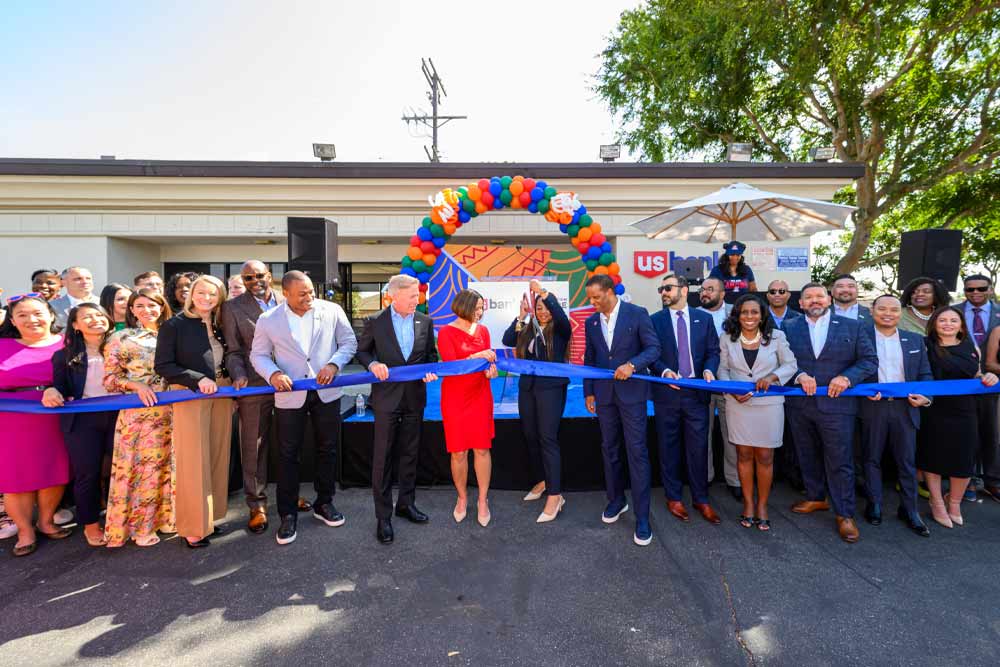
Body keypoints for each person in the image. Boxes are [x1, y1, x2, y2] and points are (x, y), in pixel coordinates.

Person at [250, 271, 358, 546]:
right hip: (289, 396)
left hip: (327, 393)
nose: (310, 297)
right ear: (285, 293)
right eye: (302, 294)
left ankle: (325, 503)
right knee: (287, 455)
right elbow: (258, 355)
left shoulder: (331, 310)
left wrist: (334, 364)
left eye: (311, 291)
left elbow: (349, 342)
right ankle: (287, 515)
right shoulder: (268, 319)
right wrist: (273, 374)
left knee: (328, 449)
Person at [781, 283, 878, 543]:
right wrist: (799, 375)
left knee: (840, 461)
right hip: (801, 406)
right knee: (806, 454)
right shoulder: (788, 327)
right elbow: (780, 361)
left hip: (838, 407)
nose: (814, 300)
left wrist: (847, 378)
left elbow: (869, 361)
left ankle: (844, 514)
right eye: (808, 297)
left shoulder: (853, 327)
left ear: (829, 299)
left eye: (819, 296)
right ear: (800, 303)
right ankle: (816, 497)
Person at [356, 274, 439, 543]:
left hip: (415, 398)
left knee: (410, 454)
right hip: (386, 400)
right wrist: (372, 365)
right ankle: (383, 517)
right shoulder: (374, 322)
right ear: (395, 296)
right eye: (413, 296)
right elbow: (363, 352)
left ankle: (406, 504)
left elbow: (430, 356)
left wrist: (429, 371)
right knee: (382, 459)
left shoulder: (425, 321)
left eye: (418, 295)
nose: (419, 300)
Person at [155, 275, 233, 549]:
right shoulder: (174, 325)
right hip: (190, 393)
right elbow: (163, 365)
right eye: (201, 292)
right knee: (193, 461)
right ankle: (192, 527)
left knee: (217, 454)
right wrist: (196, 378)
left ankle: (210, 518)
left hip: (223, 392)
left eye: (213, 294)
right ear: (191, 294)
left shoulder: (220, 323)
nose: (206, 298)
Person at [583, 275, 660, 546]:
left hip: (632, 396)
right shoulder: (591, 322)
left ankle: (642, 517)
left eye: (596, 297)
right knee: (610, 450)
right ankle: (616, 500)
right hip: (604, 396)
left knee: (637, 452)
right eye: (590, 298)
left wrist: (632, 365)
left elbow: (653, 349)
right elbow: (589, 359)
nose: (592, 303)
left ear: (610, 292)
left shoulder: (637, 314)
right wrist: (588, 391)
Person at [717, 294, 797, 531]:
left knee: (765, 457)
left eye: (754, 312)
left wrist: (772, 377)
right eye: (744, 312)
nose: (749, 317)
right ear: (737, 315)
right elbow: (722, 369)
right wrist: (731, 390)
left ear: (762, 315)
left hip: (769, 404)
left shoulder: (777, 337)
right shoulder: (727, 338)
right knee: (743, 455)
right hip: (738, 405)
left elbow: (790, 364)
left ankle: (763, 505)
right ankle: (748, 504)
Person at [102, 289, 175, 547]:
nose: (147, 310)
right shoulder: (121, 338)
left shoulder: (174, 333)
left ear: (162, 306)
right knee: (144, 469)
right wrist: (136, 386)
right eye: (140, 305)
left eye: (153, 304)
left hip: (175, 413)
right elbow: (109, 380)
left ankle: (168, 519)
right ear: (131, 310)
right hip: (140, 415)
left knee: (170, 467)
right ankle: (141, 527)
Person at [0, 294, 71, 556]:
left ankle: (46, 521)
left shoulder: (68, 344)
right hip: (11, 421)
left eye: (38, 313)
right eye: (22, 315)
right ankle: (24, 530)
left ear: (51, 315)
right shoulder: (2, 346)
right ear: (13, 320)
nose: (32, 319)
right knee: (16, 476)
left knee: (53, 469)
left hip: (56, 416)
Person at [41, 304, 118, 546]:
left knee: (123, 470)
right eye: (87, 317)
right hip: (83, 421)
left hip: (121, 416)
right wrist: (51, 390)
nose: (96, 320)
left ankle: (125, 520)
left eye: (99, 315)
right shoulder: (63, 356)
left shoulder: (122, 347)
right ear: (75, 325)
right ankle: (91, 525)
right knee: (88, 473)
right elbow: (59, 386)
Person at [859, 295, 933, 537]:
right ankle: (875, 503)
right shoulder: (861, 338)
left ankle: (910, 509)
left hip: (906, 408)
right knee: (871, 458)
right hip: (873, 407)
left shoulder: (915, 340)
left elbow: (925, 375)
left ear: (900, 313)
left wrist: (926, 397)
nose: (888, 313)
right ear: (872, 311)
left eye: (894, 309)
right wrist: (863, 391)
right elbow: (851, 370)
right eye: (882, 309)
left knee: (907, 462)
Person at [220, 260, 285, 534]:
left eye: (259, 275)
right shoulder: (232, 308)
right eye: (248, 278)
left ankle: (289, 495)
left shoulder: (287, 299)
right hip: (254, 385)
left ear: (269, 276)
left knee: (289, 443)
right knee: (253, 447)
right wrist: (237, 375)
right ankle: (256, 504)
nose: (254, 281)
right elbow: (233, 350)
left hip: (290, 383)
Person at [919, 307, 999, 527]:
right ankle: (936, 502)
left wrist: (989, 376)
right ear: (934, 323)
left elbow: (977, 375)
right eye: (942, 320)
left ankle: (953, 502)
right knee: (932, 456)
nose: (948, 324)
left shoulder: (970, 347)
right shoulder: (924, 346)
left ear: (961, 324)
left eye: (953, 320)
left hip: (965, 410)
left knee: (964, 458)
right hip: (933, 409)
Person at [651, 274, 721, 524]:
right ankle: (674, 497)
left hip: (696, 395)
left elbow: (713, 351)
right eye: (661, 289)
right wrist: (663, 370)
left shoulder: (705, 318)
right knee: (668, 448)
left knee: (699, 449)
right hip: (666, 394)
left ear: (684, 289)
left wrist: (710, 369)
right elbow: (651, 353)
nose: (663, 293)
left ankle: (701, 499)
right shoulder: (655, 320)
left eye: (668, 288)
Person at [502, 279, 572, 523]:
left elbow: (561, 316)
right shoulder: (528, 328)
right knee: (531, 436)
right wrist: (521, 316)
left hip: (551, 389)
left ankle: (555, 495)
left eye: (546, 307)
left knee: (547, 438)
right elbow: (508, 339)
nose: (543, 311)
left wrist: (543, 292)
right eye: (539, 307)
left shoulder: (562, 329)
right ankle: (543, 481)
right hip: (527, 389)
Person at [437, 289, 498, 527]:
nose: (480, 312)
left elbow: (487, 364)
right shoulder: (446, 332)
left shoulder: (483, 331)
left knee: (482, 449)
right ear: (464, 306)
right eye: (477, 308)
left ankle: (483, 500)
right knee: (458, 452)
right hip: (455, 398)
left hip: (481, 395)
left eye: (482, 308)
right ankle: (462, 498)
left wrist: (489, 370)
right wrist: (479, 354)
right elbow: (452, 366)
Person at [960, 274, 1000, 503]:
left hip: (994, 382)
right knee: (968, 433)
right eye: (969, 289)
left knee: (992, 432)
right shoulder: (952, 311)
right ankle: (970, 480)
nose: (975, 292)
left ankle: (993, 480)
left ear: (990, 288)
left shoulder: (998, 313)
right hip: (963, 381)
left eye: (980, 288)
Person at [698, 276, 739, 499]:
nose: (705, 293)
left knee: (731, 434)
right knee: (702, 434)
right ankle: (704, 477)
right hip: (702, 384)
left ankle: (734, 480)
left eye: (710, 289)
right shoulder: (693, 314)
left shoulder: (739, 312)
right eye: (703, 289)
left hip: (731, 383)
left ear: (722, 293)